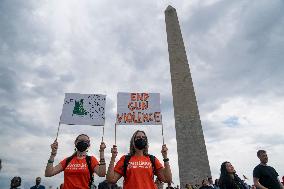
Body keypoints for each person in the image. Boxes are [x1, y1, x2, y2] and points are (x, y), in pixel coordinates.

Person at [106, 130, 172, 189]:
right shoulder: (125, 159)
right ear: (133, 141)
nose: (141, 139)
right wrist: (113, 158)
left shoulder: (152, 159)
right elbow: (110, 179)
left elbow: (167, 179)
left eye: (143, 138)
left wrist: (165, 157)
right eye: (138, 137)